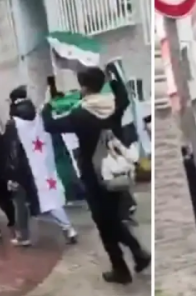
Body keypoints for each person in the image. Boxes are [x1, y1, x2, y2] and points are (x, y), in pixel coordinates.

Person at [41, 66, 150, 284]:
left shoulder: (80, 114)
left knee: (104, 223)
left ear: (84, 87)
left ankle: (123, 267)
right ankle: (136, 255)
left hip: (94, 177)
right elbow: (123, 97)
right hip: (116, 172)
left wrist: (47, 105)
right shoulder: (113, 105)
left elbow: (50, 125)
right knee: (113, 219)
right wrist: (114, 75)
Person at [4, 86, 78, 246]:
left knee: (21, 203)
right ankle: (68, 228)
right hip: (42, 165)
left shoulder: (13, 123)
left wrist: (11, 174)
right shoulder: (39, 116)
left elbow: (12, 150)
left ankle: (24, 236)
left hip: (23, 168)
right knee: (49, 197)